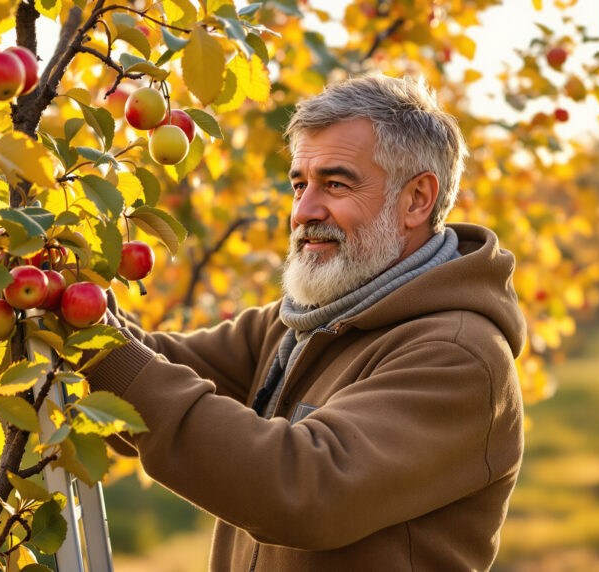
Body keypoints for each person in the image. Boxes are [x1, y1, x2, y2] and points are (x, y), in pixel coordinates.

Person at [86, 73, 526, 571]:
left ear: (417, 199)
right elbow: (149, 377)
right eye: (299, 184)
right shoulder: (302, 325)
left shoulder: (458, 356)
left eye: (336, 184)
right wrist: (73, 302)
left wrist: (99, 350)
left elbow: (300, 490)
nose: (304, 211)